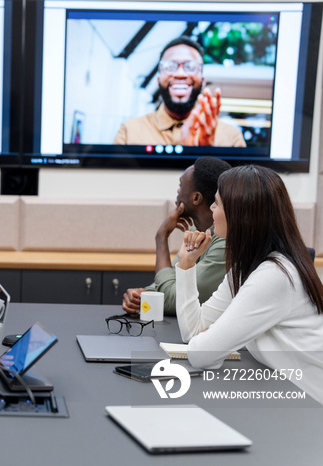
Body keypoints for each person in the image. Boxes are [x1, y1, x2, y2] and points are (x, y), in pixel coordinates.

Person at [175, 165, 323, 403]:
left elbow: (202, 354)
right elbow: (193, 332)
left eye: (217, 203)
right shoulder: (249, 268)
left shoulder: (274, 276)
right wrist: (186, 264)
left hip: (312, 410)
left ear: (240, 214)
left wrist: (210, 335)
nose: (211, 208)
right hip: (291, 397)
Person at [123, 157, 231, 316]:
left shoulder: (225, 242)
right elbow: (172, 281)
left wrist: (161, 237)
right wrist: (142, 295)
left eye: (181, 185)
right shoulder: (197, 230)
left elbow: (175, 300)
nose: (178, 191)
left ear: (196, 198)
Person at [114, 37, 246, 147]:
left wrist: (207, 153)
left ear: (203, 81)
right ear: (159, 79)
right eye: (170, 66)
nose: (180, 74)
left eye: (191, 66)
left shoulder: (231, 138)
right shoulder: (128, 132)